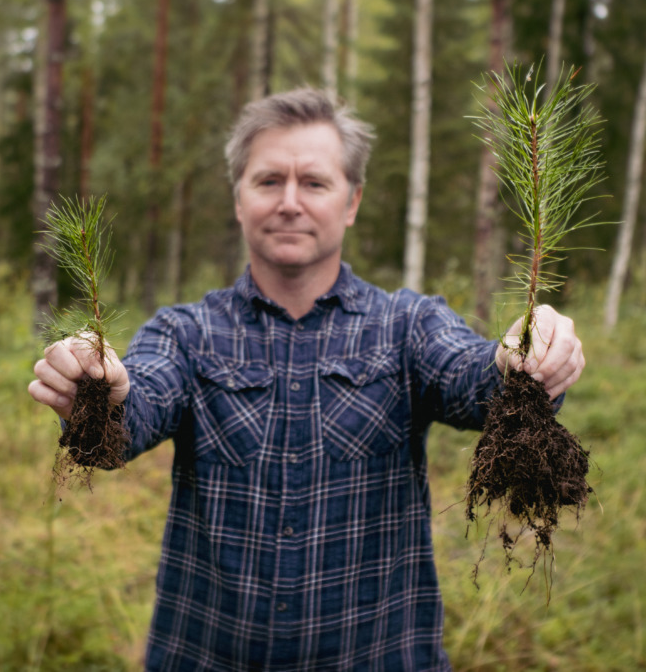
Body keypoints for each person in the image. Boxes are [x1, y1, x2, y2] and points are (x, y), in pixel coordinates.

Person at [29, 88, 584, 671]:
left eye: (315, 183)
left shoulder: (407, 326)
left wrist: (523, 362)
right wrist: (97, 393)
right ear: (238, 198)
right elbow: (135, 408)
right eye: (268, 181)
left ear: (352, 201)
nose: (289, 202)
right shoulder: (185, 334)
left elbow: (472, 376)